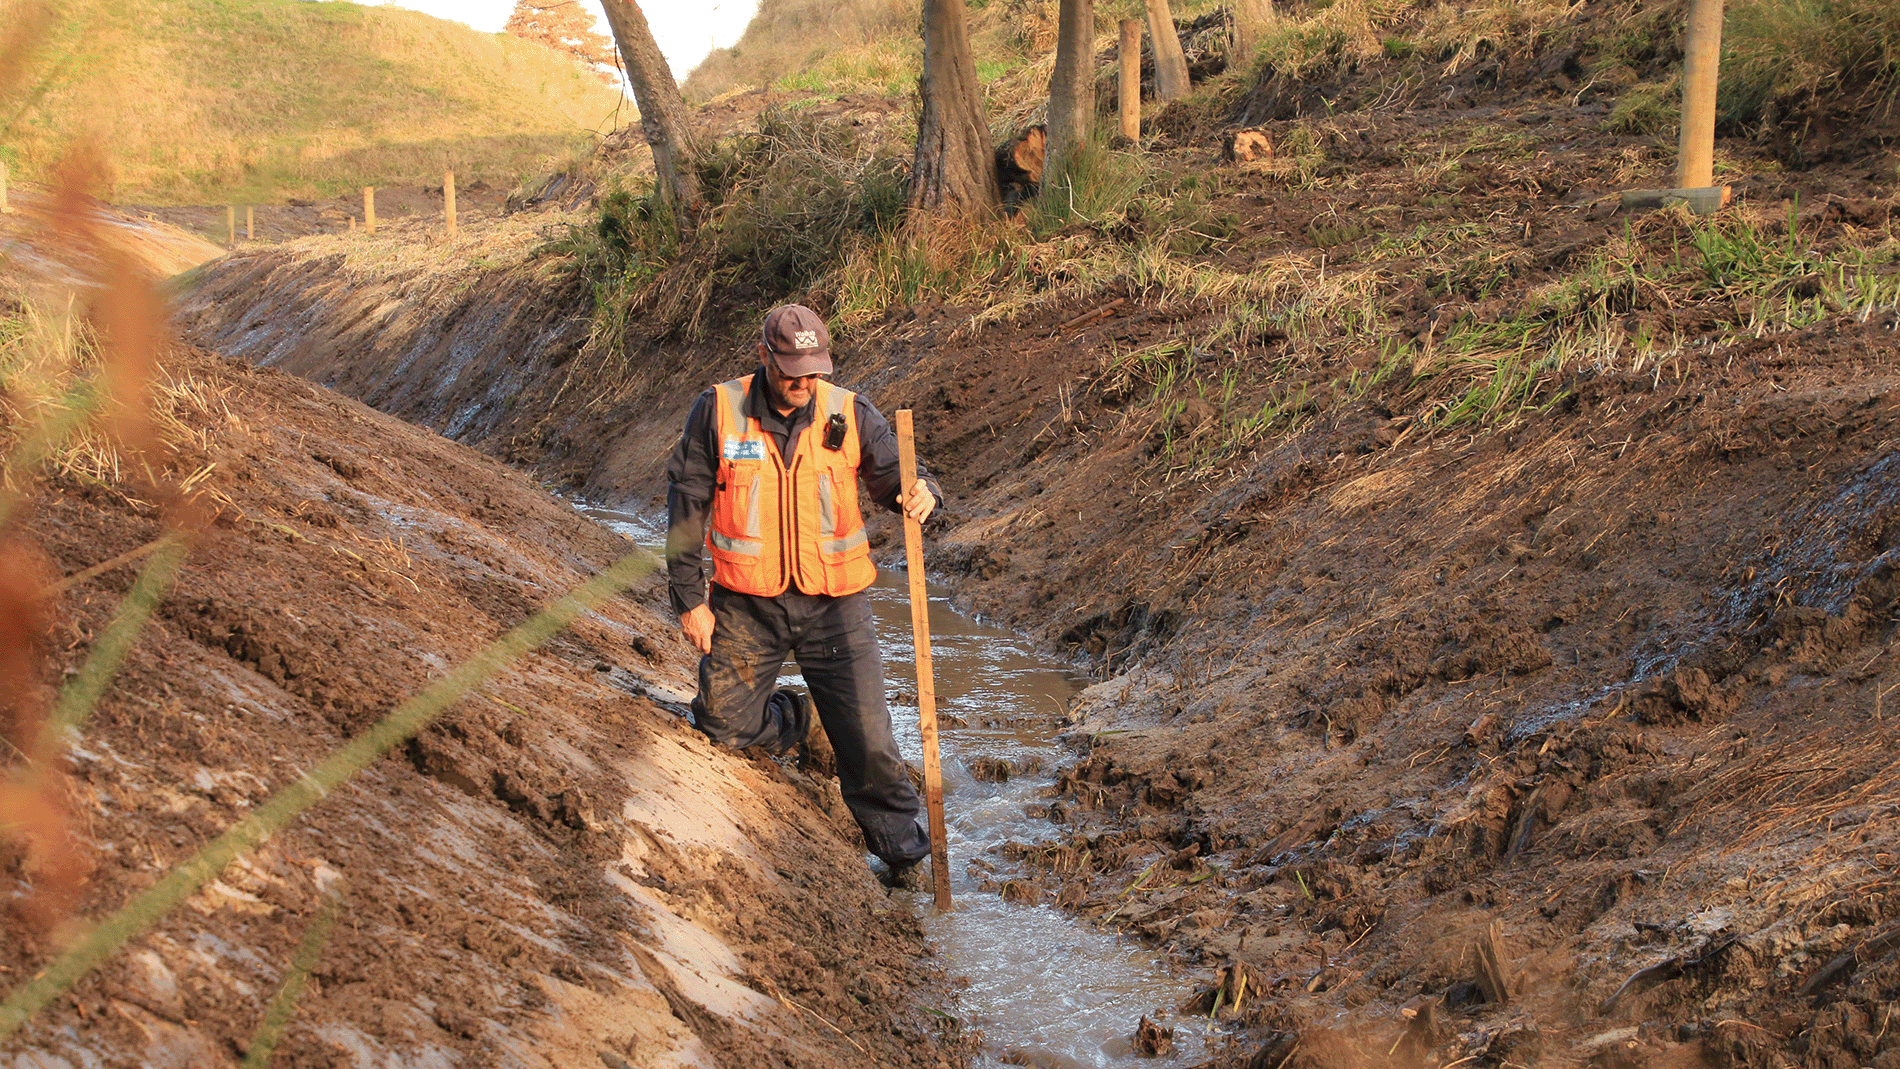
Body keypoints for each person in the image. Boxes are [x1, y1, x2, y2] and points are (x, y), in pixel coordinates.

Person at [664, 304, 939, 886]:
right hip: (747, 605)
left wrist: (923, 493)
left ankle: (904, 856)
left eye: (813, 371)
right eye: (791, 369)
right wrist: (690, 600)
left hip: (835, 605)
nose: (803, 383)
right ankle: (800, 716)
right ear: (765, 357)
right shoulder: (719, 410)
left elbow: (897, 481)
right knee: (722, 731)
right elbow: (686, 505)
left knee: (869, 742)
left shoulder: (850, 411)